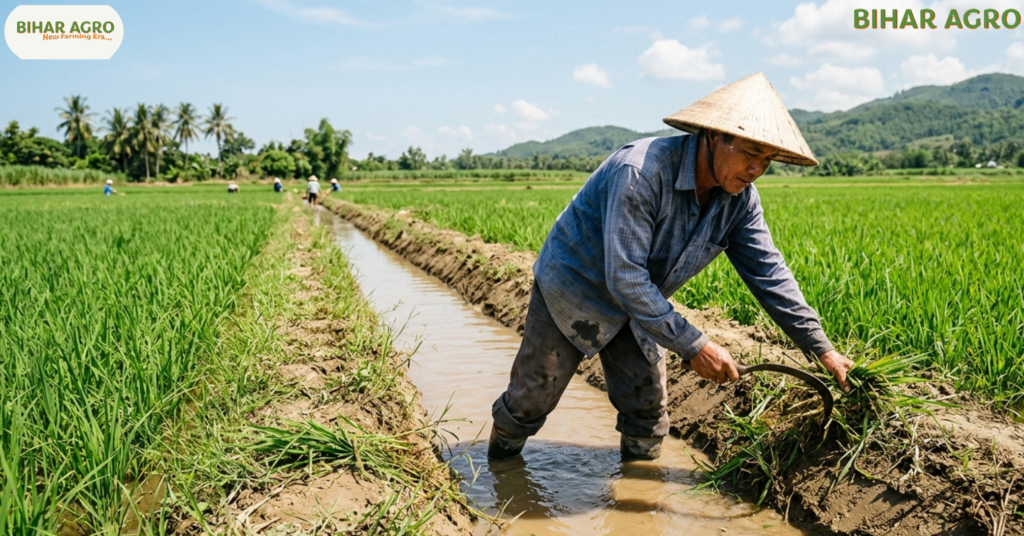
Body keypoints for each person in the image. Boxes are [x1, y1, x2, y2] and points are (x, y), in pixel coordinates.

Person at [488, 73, 856, 462]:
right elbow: (624, 276)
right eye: (750, 152)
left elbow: (769, 273)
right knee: (531, 401)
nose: (755, 169)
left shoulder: (741, 201)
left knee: (647, 409)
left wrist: (823, 349)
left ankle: (640, 500)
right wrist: (696, 346)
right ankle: (501, 472)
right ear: (714, 136)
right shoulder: (641, 172)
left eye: (767, 159)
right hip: (575, 286)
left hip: (642, 300)